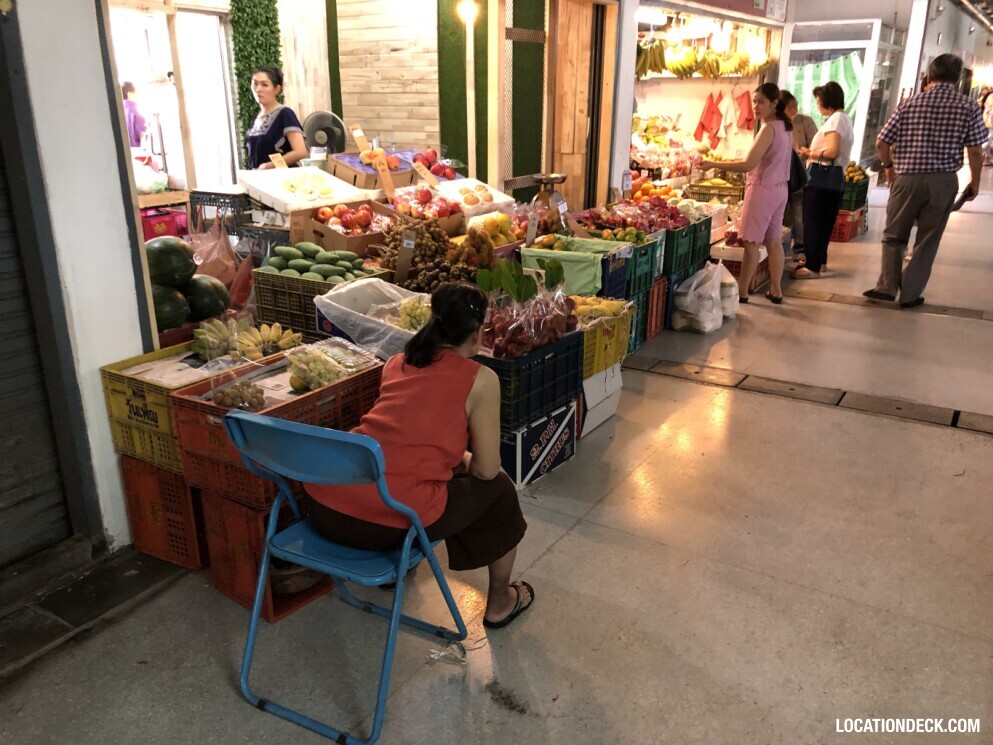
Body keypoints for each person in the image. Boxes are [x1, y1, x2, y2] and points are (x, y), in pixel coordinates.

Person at [305, 283, 534, 629]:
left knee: (430, 472)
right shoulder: (481, 379)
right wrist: (464, 459)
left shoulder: (397, 362)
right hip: (385, 524)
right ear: (477, 333)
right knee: (499, 490)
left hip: (324, 505)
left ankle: (396, 570)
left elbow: (403, 440)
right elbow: (486, 470)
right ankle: (500, 603)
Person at [863, 54, 986, 307]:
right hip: (943, 181)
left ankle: (886, 287)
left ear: (929, 76)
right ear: (958, 78)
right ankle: (910, 295)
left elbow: (881, 142)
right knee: (927, 240)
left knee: (894, 234)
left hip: (906, 179)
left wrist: (889, 168)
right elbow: (975, 150)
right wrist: (975, 181)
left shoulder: (909, 104)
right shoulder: (968, 106)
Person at [702, 82, 792, 304]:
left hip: (762, 190)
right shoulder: (785, 127)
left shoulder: (768, 129)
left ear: (774, 103)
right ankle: (776, 290)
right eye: (754, 102)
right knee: (773, 241)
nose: (756, 106)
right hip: (780, 190)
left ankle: (742, 293)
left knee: (751, 244)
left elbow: (747, 165)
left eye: (761, 102)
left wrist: (712, 163)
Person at [790, 82, 855, 279]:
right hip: (834, 178)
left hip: (822, 177)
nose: (817, 105)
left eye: (819, 101)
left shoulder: (836, 120)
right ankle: (820, 261)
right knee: (824, 222)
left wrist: (810, 153)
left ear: (828, 101)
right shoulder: (844, 118)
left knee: (813, 221)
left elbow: (833, 152)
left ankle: (812, 266)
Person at [246, 67, 308, 170]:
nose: (258, 89)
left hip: (283, 177)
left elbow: (300, 152)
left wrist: (268, 166)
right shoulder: (256, 118)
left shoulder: (285, 114)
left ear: (277, 89)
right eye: (255, 84)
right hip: (259, 177)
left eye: (264, 85)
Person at [781, 91, 818, 259]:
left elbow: (815, 146)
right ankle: (780, 244)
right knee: (780, 211)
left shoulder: (805, 122)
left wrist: (805, 152)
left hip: (799, 173)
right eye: (789, 107)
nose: (793, 110)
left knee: (798, 210)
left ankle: (800, 246)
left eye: (795, 105)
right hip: (780, 175)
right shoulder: (776, 124)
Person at [121, 81, 147, 148]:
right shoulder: (136, 115)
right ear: (130, 94)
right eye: (136, 93)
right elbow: (145, 141)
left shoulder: (120, 112)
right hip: (138, 152)